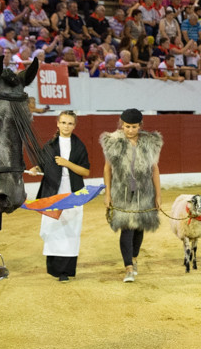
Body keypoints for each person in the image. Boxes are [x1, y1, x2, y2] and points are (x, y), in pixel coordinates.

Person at [101, 108, 162, 282]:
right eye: (127, 126)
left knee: (139, 229)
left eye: (134, 127)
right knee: (126, 230)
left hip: (144, 194)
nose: (130, 130)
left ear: (140, 126)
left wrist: (158, 195)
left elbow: (154, 169)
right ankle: (128, 267)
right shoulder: (113, 142)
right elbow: (107, 168)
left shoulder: (149, 143)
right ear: (121, 124)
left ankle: (134, 258)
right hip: (122, 194)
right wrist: (108, 194)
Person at [31, 111, 91, 281]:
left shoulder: (79, 146)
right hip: (52, 193)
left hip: (73, 193)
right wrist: (36, 170)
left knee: (71, 230)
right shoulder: (50, 145)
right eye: (63, 122)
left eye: (70, 123)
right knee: (53, 229)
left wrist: (67, 163)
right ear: (57, 123)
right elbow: (43, 167)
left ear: (74, 126)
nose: (66, 126)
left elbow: (85, 171)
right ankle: (55, 269)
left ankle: (65, 271)